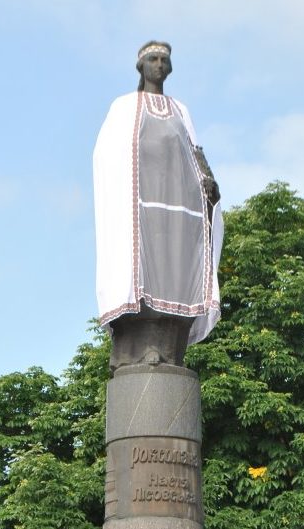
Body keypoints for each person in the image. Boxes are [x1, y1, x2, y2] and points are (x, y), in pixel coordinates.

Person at [93, 41, 223, 373]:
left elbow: (195, 150)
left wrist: (207, 181)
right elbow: (109, 154)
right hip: (138, 210)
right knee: (139, 278)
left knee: (175, 274)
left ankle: (169, 350)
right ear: (141, 66)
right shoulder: (124, 107)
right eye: (153, 59)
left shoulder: (180, 110)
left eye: (165, 60)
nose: (159, 65)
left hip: (175, 208)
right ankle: (132, 352)